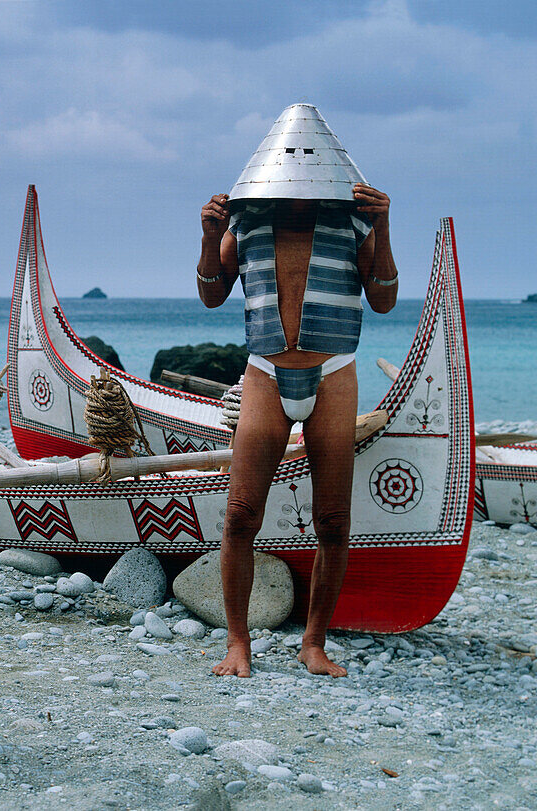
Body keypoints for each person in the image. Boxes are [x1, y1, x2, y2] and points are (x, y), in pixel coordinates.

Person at [195, 104, 399, 678]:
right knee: (239, 515)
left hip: (334, 371)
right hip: (264, 371)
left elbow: (383, 298)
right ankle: (238, 643)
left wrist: (383, 227)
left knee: (332, 520)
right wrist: (211, 238)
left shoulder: (354, 220)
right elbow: (212, 295)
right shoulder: (247, 221)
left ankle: (314, 643)